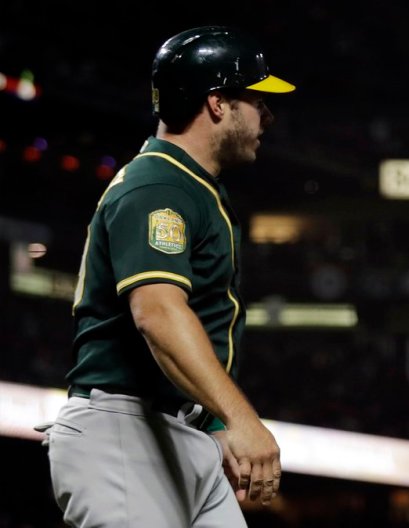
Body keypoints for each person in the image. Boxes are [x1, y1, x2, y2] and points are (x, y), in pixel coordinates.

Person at [36, 26, 295, 527]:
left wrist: (214, 421)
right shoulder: (159, 186)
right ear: (217, 104)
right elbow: (157, 313)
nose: (267, 115)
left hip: (178, 432)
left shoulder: (188, 185)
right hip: (125, 436)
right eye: (256, 100)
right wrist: (241, 419)